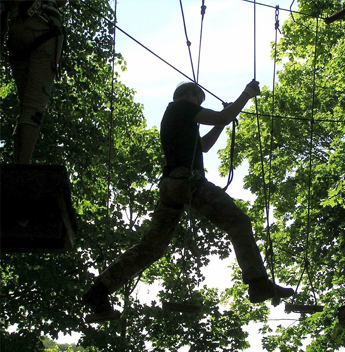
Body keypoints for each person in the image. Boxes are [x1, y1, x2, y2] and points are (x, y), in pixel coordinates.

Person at [83, 81, 294, 321]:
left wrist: (223, 125)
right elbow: (223, 115)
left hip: (172, 186)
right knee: (238, 223)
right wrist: (246, 94)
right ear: (190, 95)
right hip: (188, 181)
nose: (199, 105)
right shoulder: (181, 106)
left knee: (153, 247)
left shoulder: (178, 119)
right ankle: (258, 283)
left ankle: (99, 292)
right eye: (200, 100)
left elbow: (203, 146)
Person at [1, 0, 67, 164]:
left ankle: (18, 166)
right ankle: (21, 169)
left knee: (25, 107)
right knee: (33, 108)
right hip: (44, 28)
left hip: (17, 30)